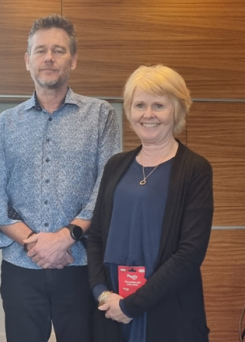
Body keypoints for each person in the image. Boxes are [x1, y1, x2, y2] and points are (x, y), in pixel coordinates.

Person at [0, 14, 121, 342]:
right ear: (27, 60)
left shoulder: (101, 115)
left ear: (73, 59)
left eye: (58, 50)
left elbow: (107, 185)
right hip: (20, 266)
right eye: (40, 50)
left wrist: (65, 237)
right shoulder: (6, 123)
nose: (48, 57)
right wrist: (35, 242)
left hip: (80, 264)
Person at [87, 64, 214, 342]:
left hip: (167, 310)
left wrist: (132, 305)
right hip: (112, 308)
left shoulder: (195, 169)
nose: (148, 114)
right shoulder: (115, 166)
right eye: (140, 105)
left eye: (159, 105)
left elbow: (190, 254)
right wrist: (103, 293)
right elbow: (95, 236)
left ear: (177, 110)